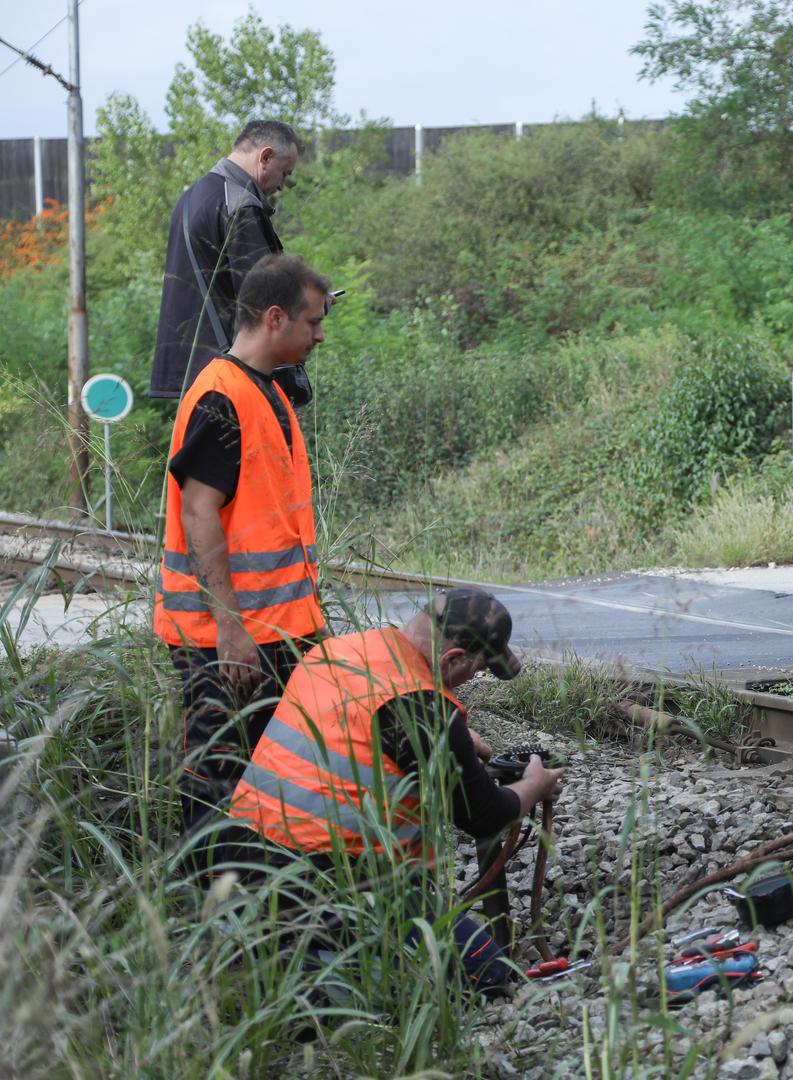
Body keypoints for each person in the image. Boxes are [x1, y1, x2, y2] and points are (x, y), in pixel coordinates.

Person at [225, 588, 565, 991]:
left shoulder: (337, 650)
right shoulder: (423, 708)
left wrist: (446, 741)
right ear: (452, 659)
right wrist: (535, 783)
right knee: (488, 975)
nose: (466, 683)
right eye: (472, 672)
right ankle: (332, 975)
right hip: (330, 884)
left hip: (243, 864)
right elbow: (484, 815)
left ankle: (290, 960)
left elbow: (350, 731)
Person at [154, 254, 330, 830]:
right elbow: (199, 510)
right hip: (225, 641)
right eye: (312, 322)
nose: (319, 335)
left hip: (274, 631)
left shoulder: (269, 392)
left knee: (266, 778)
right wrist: (231, 628)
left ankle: (257, 899)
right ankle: (207, 904)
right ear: (276, 318)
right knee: (218, 778)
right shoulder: (221, 395)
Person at [151, 120, 302, 401]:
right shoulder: (241, 204)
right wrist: (309, 303)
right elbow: (265, 299)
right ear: (265, 157)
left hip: (194, 373)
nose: (282, 186)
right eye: (285, 173)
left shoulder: (190, 198)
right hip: (232, 380)